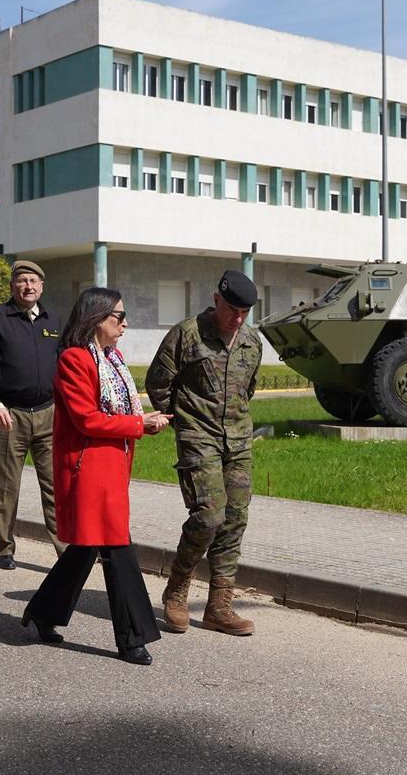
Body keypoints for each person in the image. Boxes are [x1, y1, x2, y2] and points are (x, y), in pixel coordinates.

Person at [21, 288, 171, 665]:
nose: (125, 323)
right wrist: (139, 423)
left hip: (110, 465)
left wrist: (142, 425)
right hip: (89, 468)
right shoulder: (75, 360)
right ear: (95, 319)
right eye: (118, 316)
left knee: (87, 547)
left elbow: (114, 414)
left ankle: (42, 611)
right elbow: (87, 419)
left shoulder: (111, 358)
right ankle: (132, 636)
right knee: (118, 548)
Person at [145, 269, 262, 636]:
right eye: (231, 309)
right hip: (198, 437)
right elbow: (158, 382)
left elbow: (248, 390)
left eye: (244, 312)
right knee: (209, 517)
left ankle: (219, 606)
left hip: (239, 441)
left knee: (234, 519)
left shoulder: (252, 342)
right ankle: (178, 588)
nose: (237, 318)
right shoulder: (187, 334)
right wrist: (183, 422)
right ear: (216, 300)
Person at [0, 260, 63, 570]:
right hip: (9, 415)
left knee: (56, 487)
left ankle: (66, 552)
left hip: (49, 415)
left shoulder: (53, 320)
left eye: (33, 281)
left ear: (42, 286)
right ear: (13, 286)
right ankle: (3, 549)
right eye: (22, 280)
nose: (28, 286)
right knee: (6, 486)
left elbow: (65, 368)